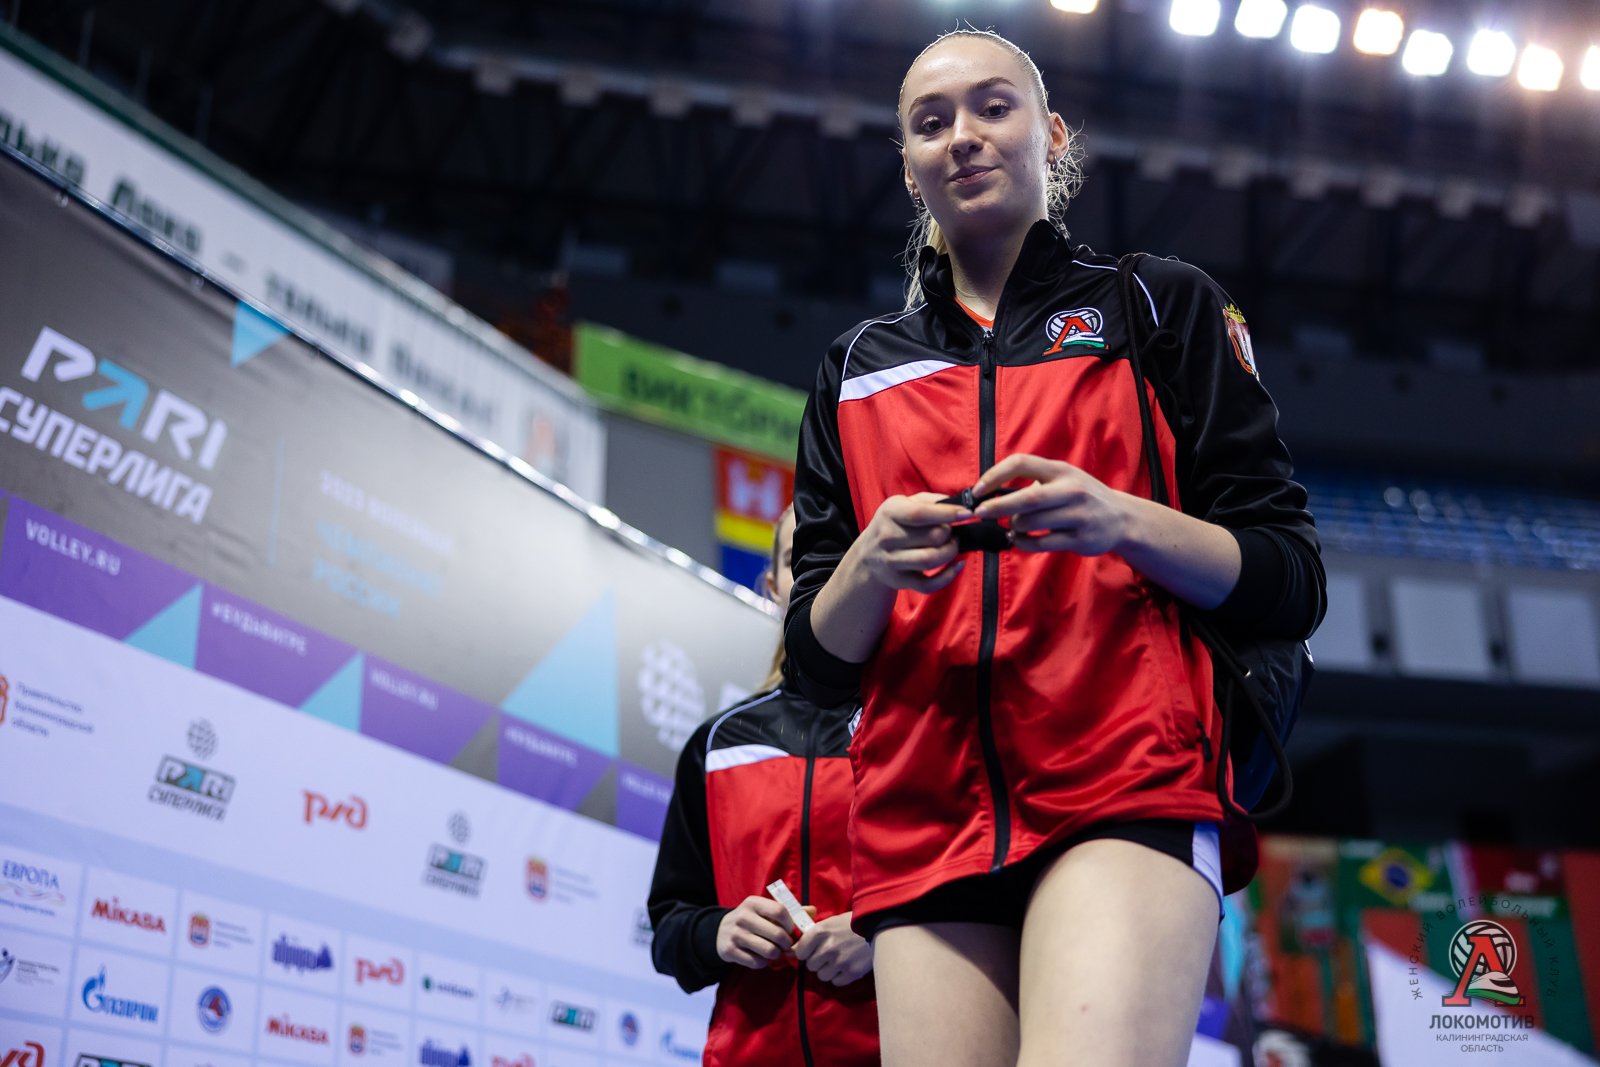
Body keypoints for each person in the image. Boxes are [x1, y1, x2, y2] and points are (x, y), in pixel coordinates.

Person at [783, 28, 1325, 1067]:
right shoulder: (853, 371)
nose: (962, 136)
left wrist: (1121, 519)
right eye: (930, 122)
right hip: (921, 814)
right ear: (908, 163)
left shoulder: (1157, 304)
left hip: (1126, 783)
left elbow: (1289, 577)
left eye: (993, 107)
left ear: (1052, 134)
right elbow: (815, 668)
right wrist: (867, 568)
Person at [648, 505, 880, 1066]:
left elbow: (975, 895)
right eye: (798, 558)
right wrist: (719, 931)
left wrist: (881, 936)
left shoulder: (912, 727)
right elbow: (669, 926)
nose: (819, 572)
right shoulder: (717, 745)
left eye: (839, 554)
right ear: (773, 585)